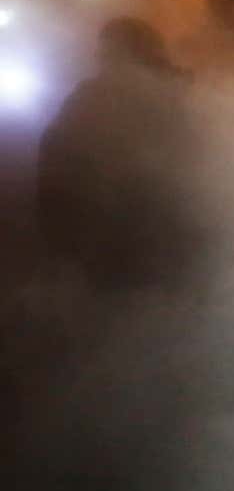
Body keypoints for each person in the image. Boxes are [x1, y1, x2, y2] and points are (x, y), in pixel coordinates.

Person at [37, 18, 204, 289]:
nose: (99, 56)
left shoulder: (92, 96)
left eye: (106, 50)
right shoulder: (183, 94)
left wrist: (59, 239)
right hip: (165, 241)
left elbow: (56, 160)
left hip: (112, 238)